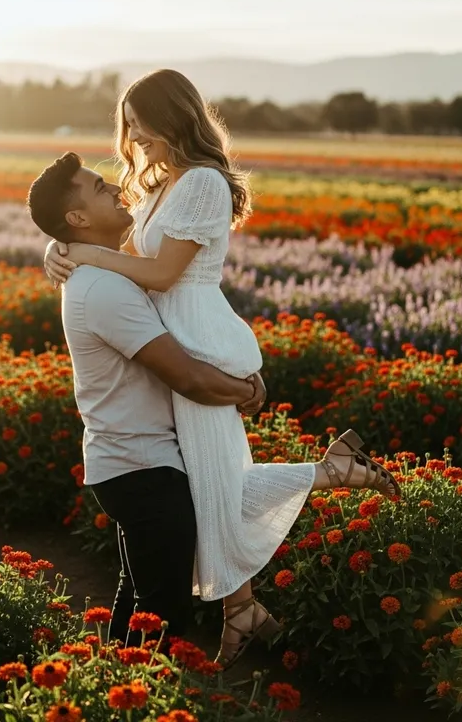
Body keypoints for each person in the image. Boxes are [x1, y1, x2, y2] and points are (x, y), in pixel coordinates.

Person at [43, 70, 400, 668]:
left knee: (212, 484)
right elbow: (101, 233)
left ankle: (320, 492)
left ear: (173, 117)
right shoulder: (162, 186)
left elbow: (158, 274)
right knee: (213, 483)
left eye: (138, 122)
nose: (130, 136)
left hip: (196, 340)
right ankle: (246, 608)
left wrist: (78, 250)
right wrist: (56, 246)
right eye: (125, 124)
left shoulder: (203, 182)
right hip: (175, 335)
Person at [27, 152, 267, 645]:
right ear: (78, 219)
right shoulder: (103, 289)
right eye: (98, 188)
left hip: (132, 465)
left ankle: (110, 694)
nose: (116, 188)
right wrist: (247, 390)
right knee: (162, 617)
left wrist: (59, 245)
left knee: (139, 605)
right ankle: (142, 699)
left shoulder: (106, 275)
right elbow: (188, 378)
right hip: (143, 470)